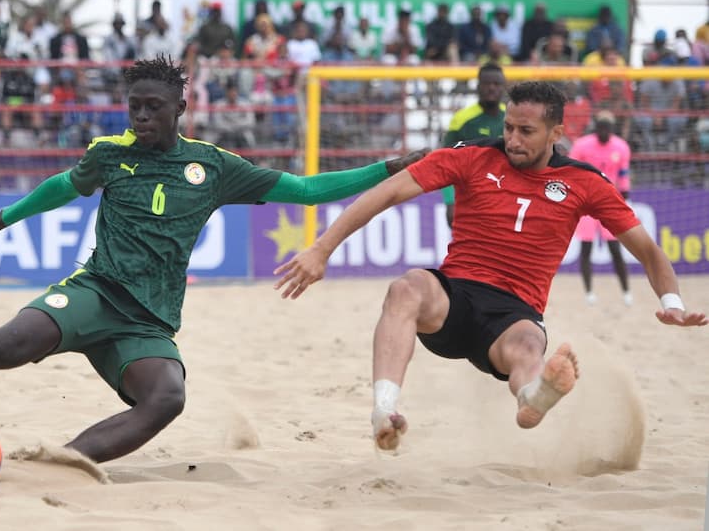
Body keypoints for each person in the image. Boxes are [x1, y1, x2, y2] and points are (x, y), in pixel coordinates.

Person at [0, 56, 429, 465]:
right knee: (2, 350)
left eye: (152, 108)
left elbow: (304, 190)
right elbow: (64, 188)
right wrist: (3, 218)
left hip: (148, 322)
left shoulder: (214, 166)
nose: (140, 118)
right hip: (95, 291)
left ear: (180, 109)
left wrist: (387, 169)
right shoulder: (110, 154)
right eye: (134, 108)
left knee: (167, 398)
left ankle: (67, 461)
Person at [273, 81, 707, 453]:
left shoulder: (584, 182)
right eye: (509, 127)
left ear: (557, 131)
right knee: (406, 288)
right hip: (454, 298)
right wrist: (322, 249)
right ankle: (384, 411)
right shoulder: (471, 156)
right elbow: (387, 193)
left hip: (513, 313)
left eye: (526, 131)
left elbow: (648, 250)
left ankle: (534, 397)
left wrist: (671, 301)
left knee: (528, 348)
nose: (513, 139)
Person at [569, 111, 632, 307]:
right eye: (600, 126)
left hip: (608, 202)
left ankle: (626, 291)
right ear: (595, 127)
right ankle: (588, 292)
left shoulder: (621, 147)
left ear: (612, 129)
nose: (603, 131)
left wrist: (625, 193)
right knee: (585, 248)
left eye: (607, 127)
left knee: (615, 248)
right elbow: (572, 170)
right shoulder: (582, 145)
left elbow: (623, 174)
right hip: (586, 202)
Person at [441, 63, 506, 227]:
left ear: (503, 87)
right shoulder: (462, 119)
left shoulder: (512, 118)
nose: (491, 88)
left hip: (506, 197)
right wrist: (450, 202)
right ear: (478, 87)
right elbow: (445, 161)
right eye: (487, 84)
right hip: (470, 198)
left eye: (496, 84)